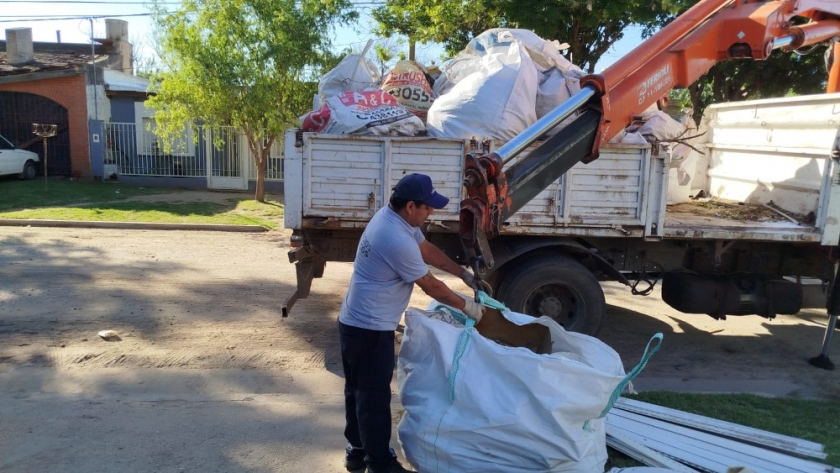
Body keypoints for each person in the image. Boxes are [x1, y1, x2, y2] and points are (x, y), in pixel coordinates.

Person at [339, 173, 485, 473]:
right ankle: (380, 464)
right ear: (410, 206)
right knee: (374, 397)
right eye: (427, 207)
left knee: (357, 390)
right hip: (369, 328)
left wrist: (462, 273)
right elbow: (430, 286)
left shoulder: (393, 219)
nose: (430, 212)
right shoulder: (393, 238)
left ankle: (356, 451)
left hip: (354, 321)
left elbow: (426, 249)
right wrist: (468, 306)